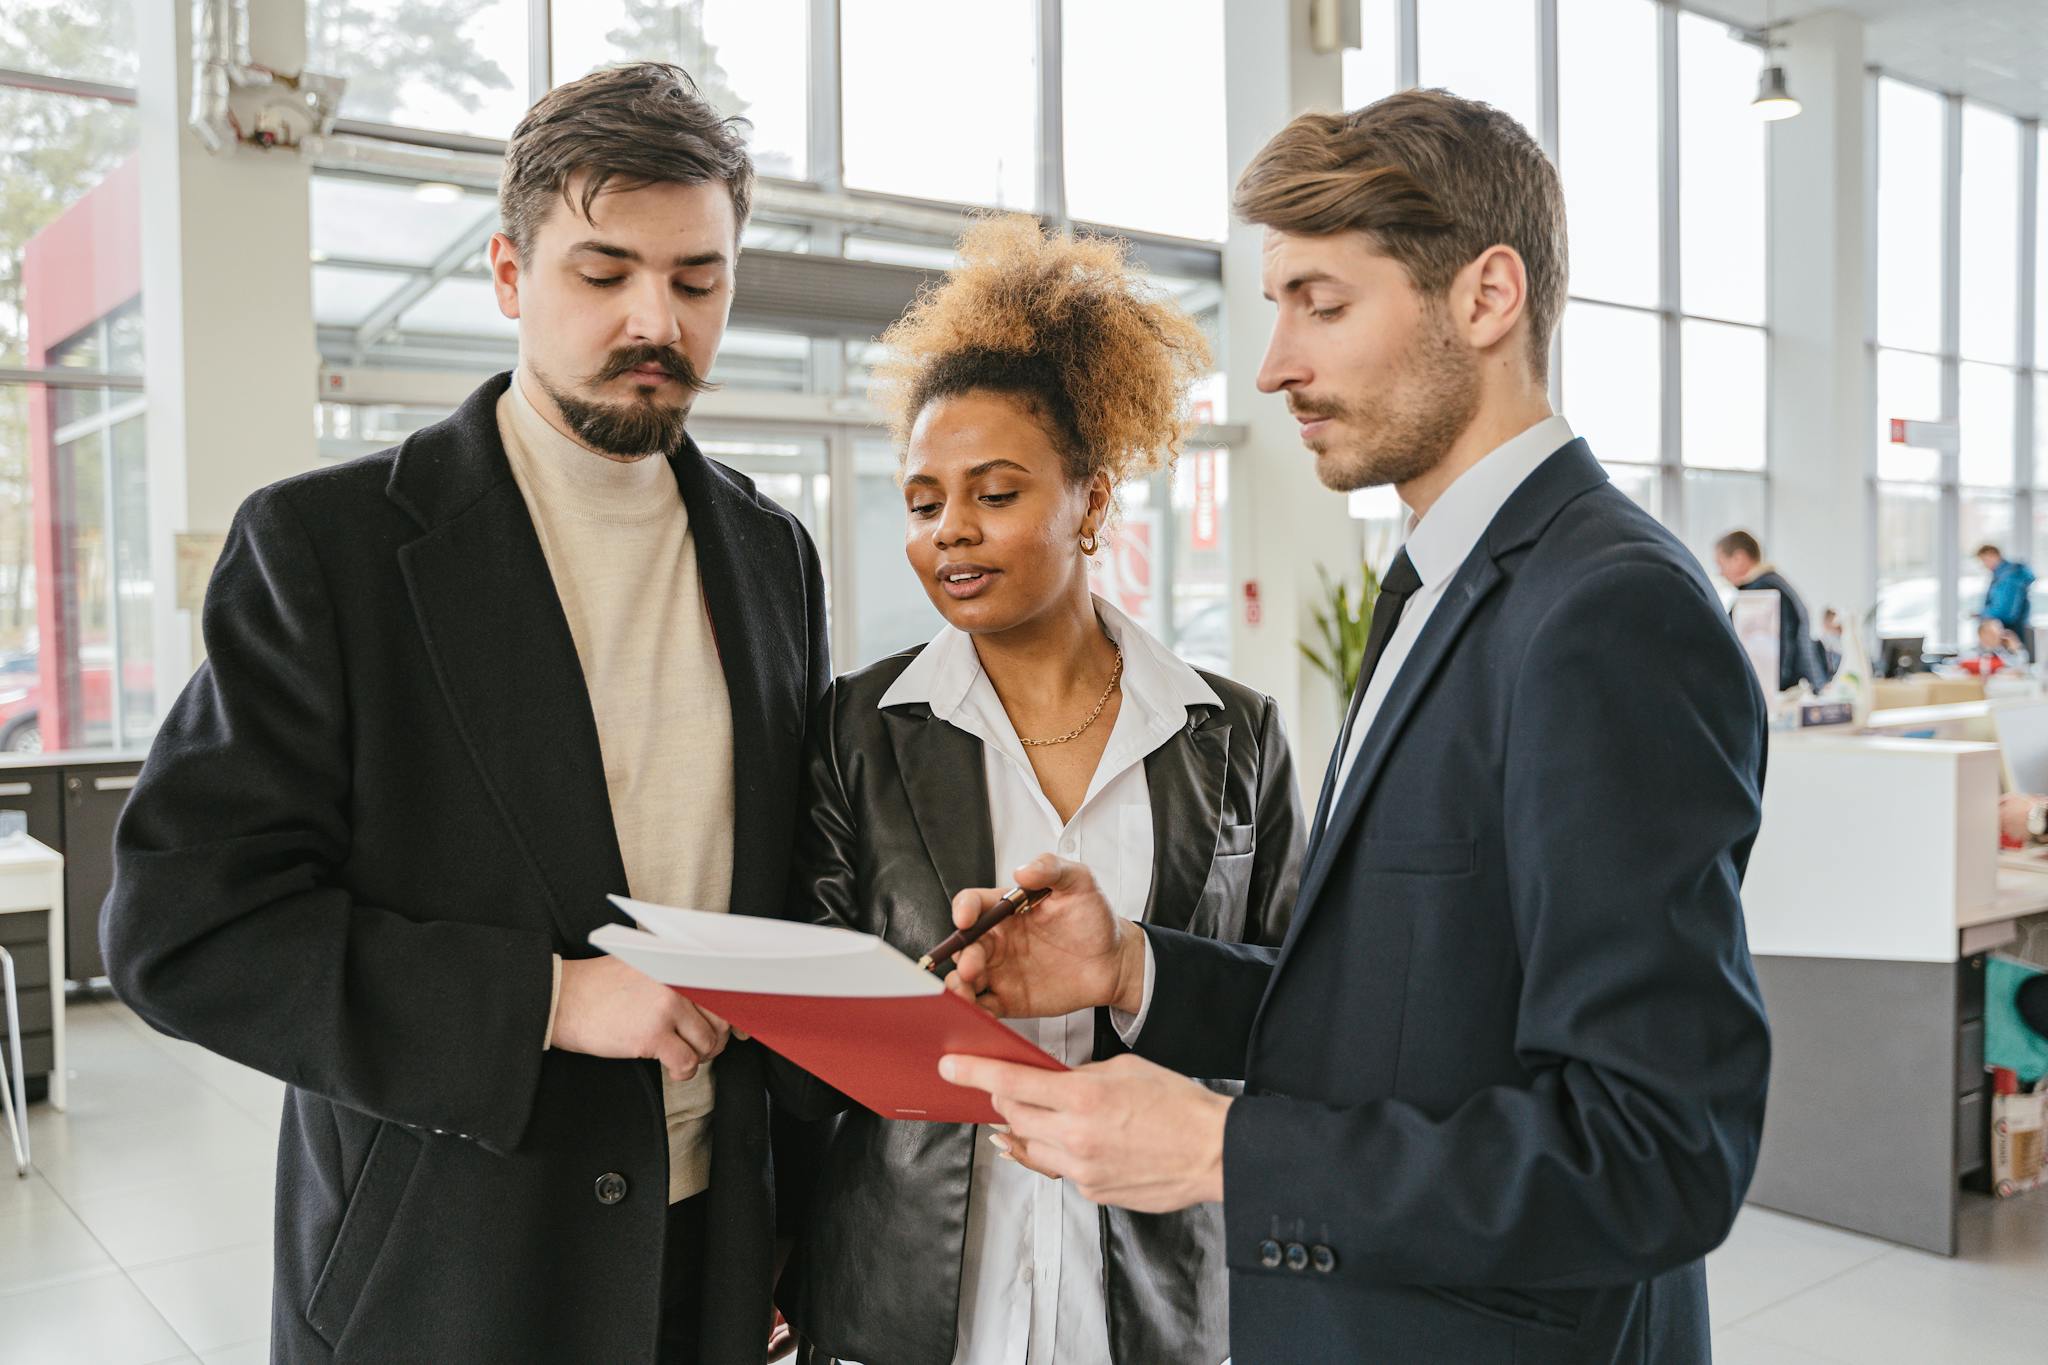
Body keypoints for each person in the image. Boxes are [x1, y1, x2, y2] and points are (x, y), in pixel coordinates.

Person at [935, 90, 1772, 1365]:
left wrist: (1220, 1149)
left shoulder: (1604, 617)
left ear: (1486, 298)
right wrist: (1131, 972)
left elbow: (1656, 1154)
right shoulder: (1441, 585)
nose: (1273, 363)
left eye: (1319, 304)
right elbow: (1403, 1013)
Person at [100, 65, 827, 1363]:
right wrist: (545, 1000)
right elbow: (183, 927)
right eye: (602, 274)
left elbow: (782, 894)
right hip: (450, 1264)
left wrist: (799, 1224)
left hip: (709, 1252)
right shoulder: (329, 551)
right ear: (507, 273)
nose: (654, 318)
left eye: (697, 279)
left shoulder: (774, 555)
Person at [771, 218, 1304, 1365]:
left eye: (994, 493)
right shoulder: (858, 730)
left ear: (1091, 502)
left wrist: (1136, 967)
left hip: (1154, 1300)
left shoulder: (1231, 735)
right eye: (922, 502)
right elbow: (802, 1041)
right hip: (906, 1297)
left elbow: (1299, 1009)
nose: (949, 530)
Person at [1715, 530, 1829, 691]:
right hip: (1800, 687)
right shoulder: (1777, 584)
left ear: (1739, 558)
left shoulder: (1761, 592)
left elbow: (1772, 655)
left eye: (1721, 564)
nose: (1721, 573)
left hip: (1783, 694)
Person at [1978, 543, 2036, 651]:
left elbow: (2005, 609)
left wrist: (1984, 614)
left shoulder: (2009, 576)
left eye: (1985, 560)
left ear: (1993, 555)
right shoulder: (2003, 575)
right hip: (2011, 626)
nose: (1985, 565)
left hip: (2011, 628)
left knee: (2015, 660)